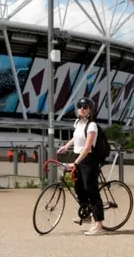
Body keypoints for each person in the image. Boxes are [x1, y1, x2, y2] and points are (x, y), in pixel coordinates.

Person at [56, 97, 104, 236]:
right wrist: (66, 146)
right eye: (79, 106)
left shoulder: (92, 125)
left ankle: (98, 223)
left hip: (89, 159)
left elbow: (88, 146)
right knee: (78, 188)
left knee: (91, 191)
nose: (81, 109)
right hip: (78, 157)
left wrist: (76, 163)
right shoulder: (77, 122)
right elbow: (76, 137)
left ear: (90, 110)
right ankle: (86, 214)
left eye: (85, 107)